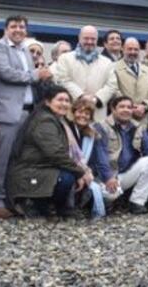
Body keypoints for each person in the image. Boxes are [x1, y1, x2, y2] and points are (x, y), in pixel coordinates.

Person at [0, 15, 54, 219]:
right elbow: (7, 73)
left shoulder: (26, 50)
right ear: (6, 28)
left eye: (22, 27)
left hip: (27, 112)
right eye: (14, 26)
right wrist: (36, 75)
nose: (18, 30)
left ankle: (13, 199)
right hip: (8, 112)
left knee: (19, 160)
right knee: (2, 159)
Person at [7, 85, 92, 219]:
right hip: (30, 172)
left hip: (42, 167)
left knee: (70, 173)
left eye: (67, 100)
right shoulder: (45, 121)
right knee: (67, 177)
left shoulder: (57, 120)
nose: (64, 104)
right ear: (47, 102)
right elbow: (55, 153)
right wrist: (80, 172)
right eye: (60, 100)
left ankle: (56, 207)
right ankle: (43, 205)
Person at [91, 95, 148, 215]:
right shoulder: (101, 127)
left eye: (129, 107)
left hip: (125, 174)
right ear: (113, 109)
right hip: (105, 175)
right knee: (110, 196)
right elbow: (100, 157)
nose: (126, 110)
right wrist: (108, 176)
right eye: (122, 107)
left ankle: (137, 203)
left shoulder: (137, 126)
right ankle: (102, 200)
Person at [52, 26, 115, 123]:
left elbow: (111, 85)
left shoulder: (107, 62)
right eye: (86, 38)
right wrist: (81, 96)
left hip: (97, 116)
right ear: (79, 38)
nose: (89, 41)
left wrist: (96, 99)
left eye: (93, 39)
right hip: (70, 114)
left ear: (97, 40)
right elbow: (62, 80)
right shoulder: (65, 58)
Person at [101, 37, 148, 126]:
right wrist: (130, 107)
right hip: (121, 119)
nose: (133, 52)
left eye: (136, 49)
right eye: (129, 49)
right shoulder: (113, 67)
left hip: (142, 120)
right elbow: (114, 90)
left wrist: (145, 106)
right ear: (123, 49)